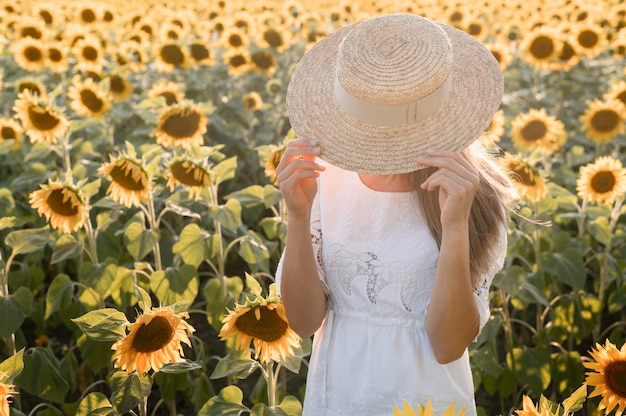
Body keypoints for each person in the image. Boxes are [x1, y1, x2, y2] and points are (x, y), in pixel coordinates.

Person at [274, 13, 517, 416]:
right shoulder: (325, 179)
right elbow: (302, 322)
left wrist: (455, 226)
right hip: (339, 396)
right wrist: (298, 217)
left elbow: (447, 344)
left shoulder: (472, 194)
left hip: (427, 399)